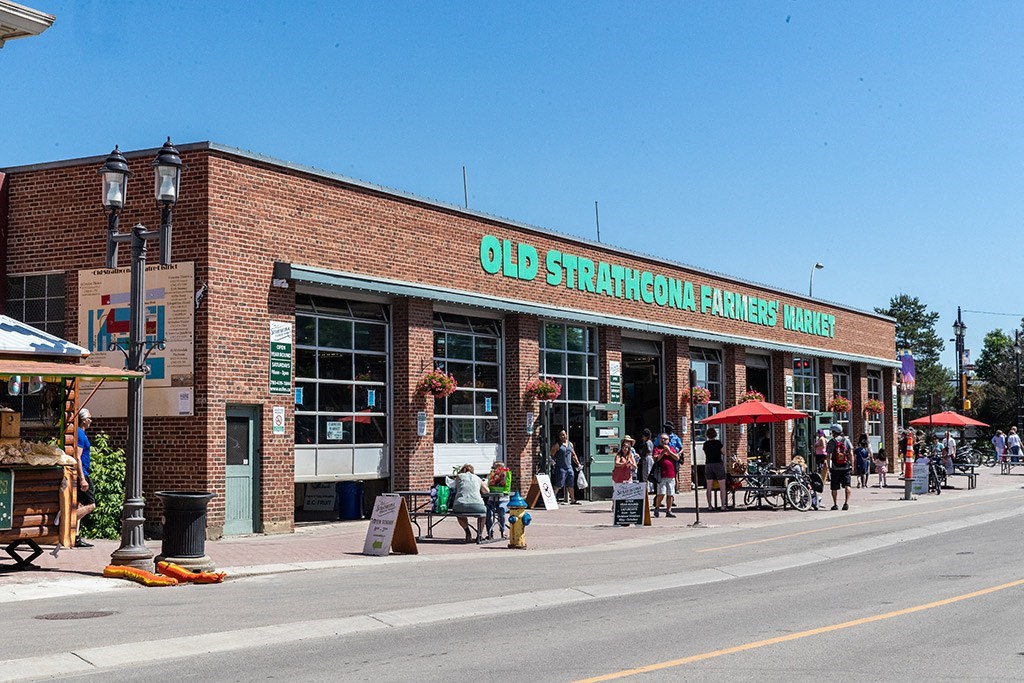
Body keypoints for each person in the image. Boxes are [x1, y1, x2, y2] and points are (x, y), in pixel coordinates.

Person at [74, 408, 97, 548]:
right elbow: (77, 457)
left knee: (80, 505)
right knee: (91, 505)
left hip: (84, 472)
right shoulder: (80, 435)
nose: (91, 421)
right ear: (83, 419)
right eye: (89, 418)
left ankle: (75, 537)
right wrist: (82, 478)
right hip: (82, 474)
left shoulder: (81, 433)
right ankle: (66, 521)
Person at [450, 464, 489, 543]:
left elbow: (455, 487)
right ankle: (479, 535)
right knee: (483, 514)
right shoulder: (477, 478)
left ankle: (467, 531)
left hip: (460, 504)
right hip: (477, 505)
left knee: (459, 514)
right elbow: (486, 491)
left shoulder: (459, 476)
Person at [826, 424, 854, 510]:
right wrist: (852, 465)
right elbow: (851, 454)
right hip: (846, 467)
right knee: (847, 485)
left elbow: (828, 456)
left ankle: (835, 504)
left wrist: (829, 467)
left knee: (834, 487)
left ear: (834, 432)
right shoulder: (846, 440)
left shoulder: (831, 442)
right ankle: (846, 503)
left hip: (835, 468)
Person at [652, 433, 680, 518]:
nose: (663, 440)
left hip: (671, 474)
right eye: (662, 439)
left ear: (668, 440)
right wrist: (663, 452)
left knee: (670, 494)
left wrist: (669, 452)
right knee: (661, 493)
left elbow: (677, 458)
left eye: (665, 439)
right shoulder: (657, 448)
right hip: (661, 475)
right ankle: (657, 508)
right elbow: (656, 459)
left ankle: (669, 511)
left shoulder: (672, 448)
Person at [550, 430, 581, 504]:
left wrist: (578, 464)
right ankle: (552, 499)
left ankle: (573, 499)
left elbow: (573, 455)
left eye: (564, 435)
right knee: (559, 484)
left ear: (566, 435)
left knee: (570, 484)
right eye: (561, 435)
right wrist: (553, 462)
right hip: (561, 467)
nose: (562, 436)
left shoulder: (570, 444)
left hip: (569, 467)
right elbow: (551, 455)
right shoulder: (557, 445)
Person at [703, 427, 727, 511]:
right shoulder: (718, 443)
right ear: (715, 434)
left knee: (709, 487)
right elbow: (724, 452)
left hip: (708, 464)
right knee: (722, 486)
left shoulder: (705, 444)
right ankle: (723, 505)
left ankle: (710, 505)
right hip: (718, 464)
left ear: (707, 435)